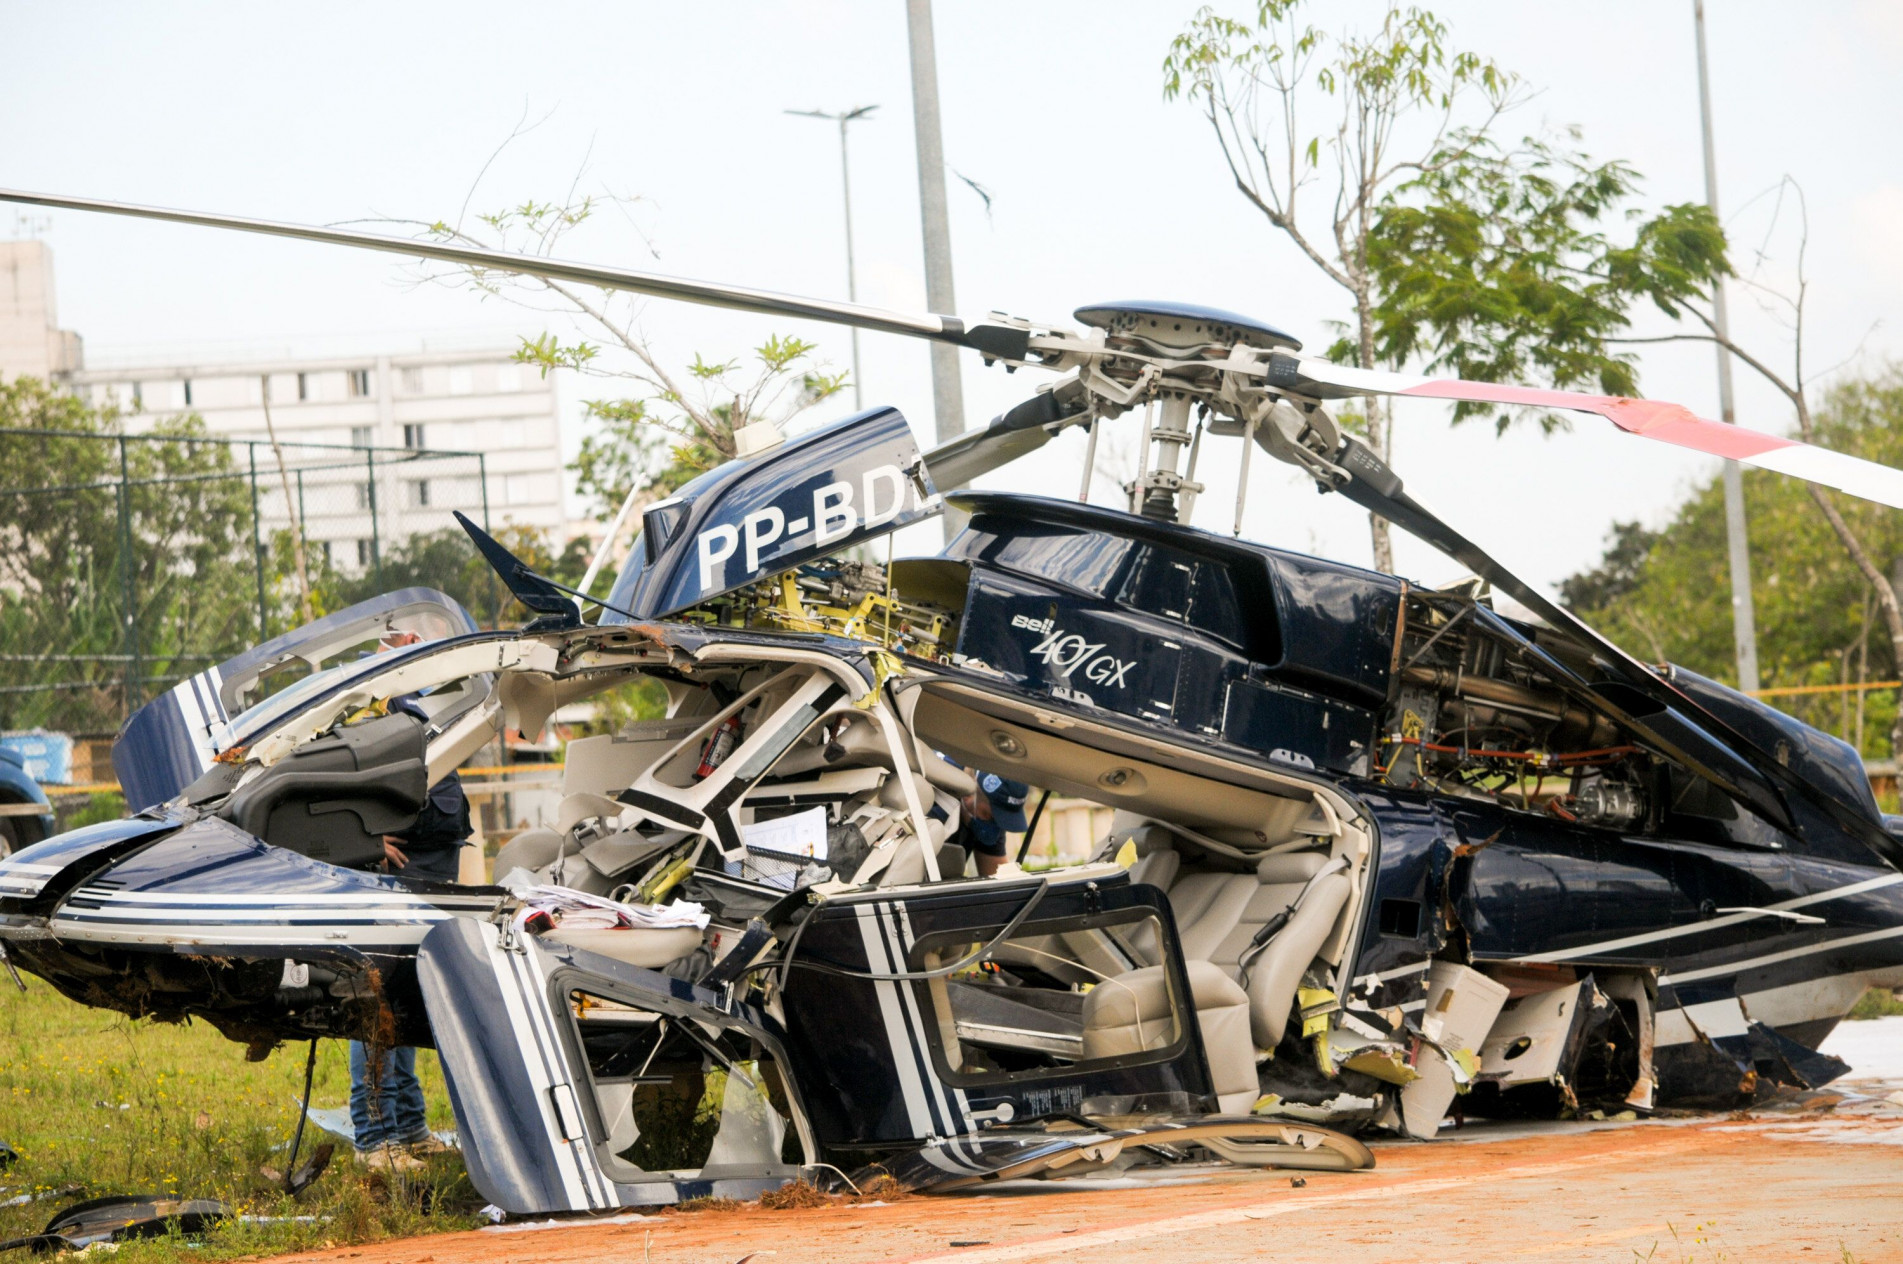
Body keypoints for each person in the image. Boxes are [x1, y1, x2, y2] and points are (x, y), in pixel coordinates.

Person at [348, 629, 474, 1171]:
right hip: (394, 871)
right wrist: (363, 842)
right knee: (376, 999)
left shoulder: (416, 707)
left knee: (403, 997)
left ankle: (409, 1125)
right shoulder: (363, 707)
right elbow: (335, 785)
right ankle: (375, 1137)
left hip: (429, 866)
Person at [953, 769, 1031, 877]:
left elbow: (998, 882)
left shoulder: (990, 825)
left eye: (1001, 820)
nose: (993, 825)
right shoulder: (933, 811)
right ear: (968, 794)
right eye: (988, 815)